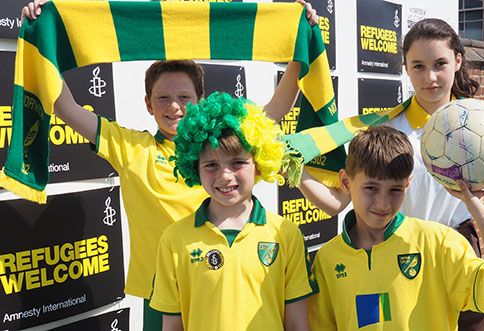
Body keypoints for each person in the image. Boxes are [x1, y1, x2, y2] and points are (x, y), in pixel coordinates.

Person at [20, 1, 318, 330]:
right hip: (160, 296)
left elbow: (279, 105)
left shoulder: (228, 141)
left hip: (228, 287)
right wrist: (42, 38)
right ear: (148, 104)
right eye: (163, 98)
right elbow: (64, 106)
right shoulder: (129, 147)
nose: (174, 107)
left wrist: (298, 39)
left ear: (200, 100)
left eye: (184, 97)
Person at [297, 18, 484, 330]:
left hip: (456, 255)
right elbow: (338, 202)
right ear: (405, 68)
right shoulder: (387, 131)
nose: (429, 77)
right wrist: (296, 171)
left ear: (457, 61)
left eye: (440, 63)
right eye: (418, 66)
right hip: (393, 256)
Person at [308, 125, 484, 330]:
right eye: (371, 188)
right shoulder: (328, 258)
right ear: (345, 182)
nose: (383, 203)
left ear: (407, 184)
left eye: (395, 190)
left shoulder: (439, 242)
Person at [150, 92, 315, 331]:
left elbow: (298, 324)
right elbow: (172, 325)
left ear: (259, 163)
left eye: (237, 162)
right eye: (211, 165)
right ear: (194, 167)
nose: (225, 176)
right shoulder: (174, 239)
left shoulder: (285, 234)